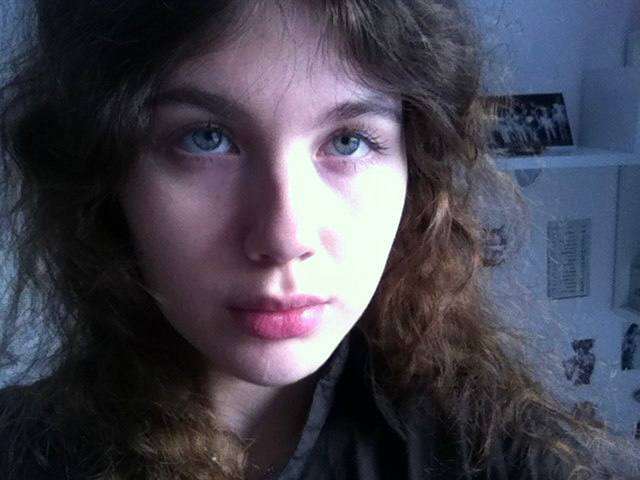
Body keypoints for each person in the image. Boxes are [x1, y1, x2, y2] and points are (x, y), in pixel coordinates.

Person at [0, 1, 636, 479]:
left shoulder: (518, 462)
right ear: (107, 176)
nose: (285, 237)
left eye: (349, 141)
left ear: (416, 174)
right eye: (205, 138)